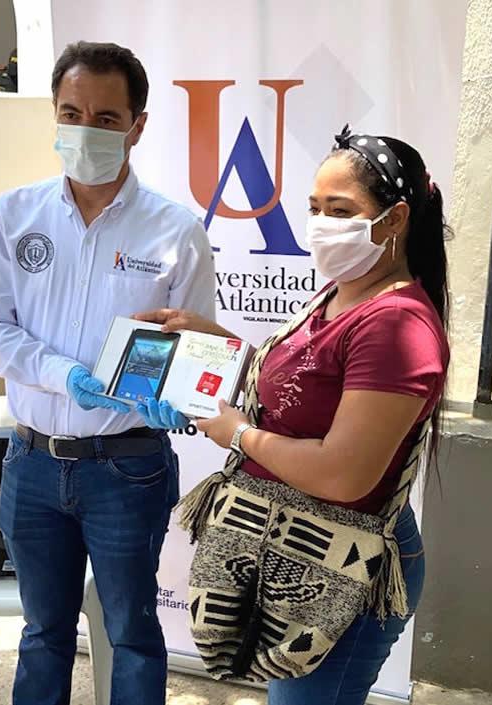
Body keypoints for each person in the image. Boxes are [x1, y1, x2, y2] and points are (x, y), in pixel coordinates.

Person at [134, 127, 449, 705]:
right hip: (289, 544)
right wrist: (211, 339)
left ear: (396, 218)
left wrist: (239, 435)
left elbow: (343, 474)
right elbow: (299, 392)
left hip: (343, 558)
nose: (322, 223)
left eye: (341, 209)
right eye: (314, 208)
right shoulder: (344, 292)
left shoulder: (396, 325)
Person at [0, 41, 215, 705]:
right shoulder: (15, 214)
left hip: (128, 469)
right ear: (53, 114)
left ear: (137, 125)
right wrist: (58, 371)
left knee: (131, 631)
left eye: (105, 118)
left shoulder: (176, 231)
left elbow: (196, 350)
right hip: (33, 463)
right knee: (43, 630)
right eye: (71, 112)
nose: (85, 129)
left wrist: (177, 398)